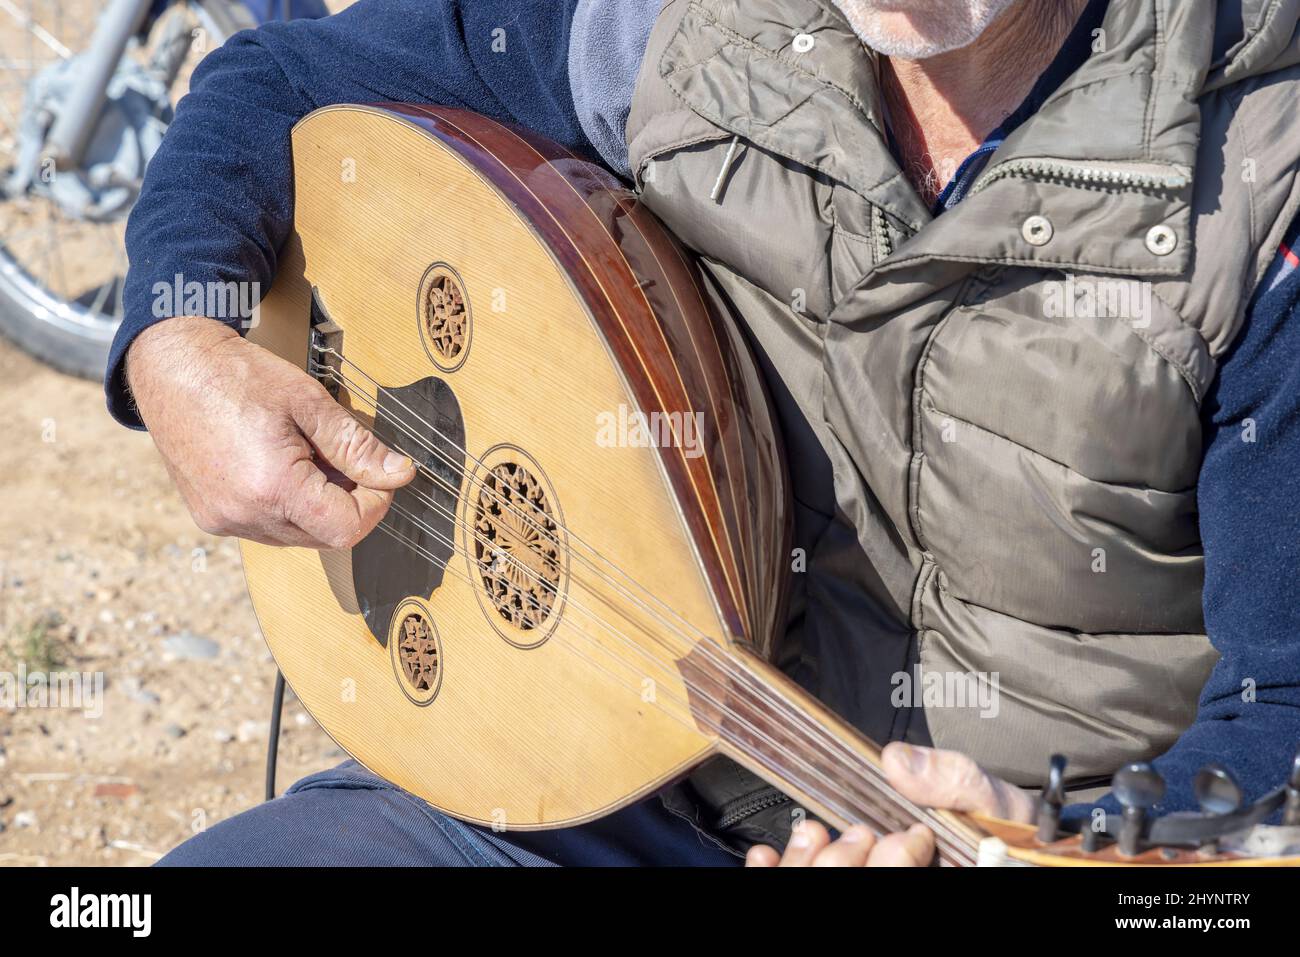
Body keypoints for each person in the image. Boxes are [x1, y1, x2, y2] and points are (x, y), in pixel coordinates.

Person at [112, 0, 1300, 866]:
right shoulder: (678, 27)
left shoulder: (1260, 190)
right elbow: (284, 78)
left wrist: (1070, 844)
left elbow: (1278, 737)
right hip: (588, 783)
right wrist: (179, 338)